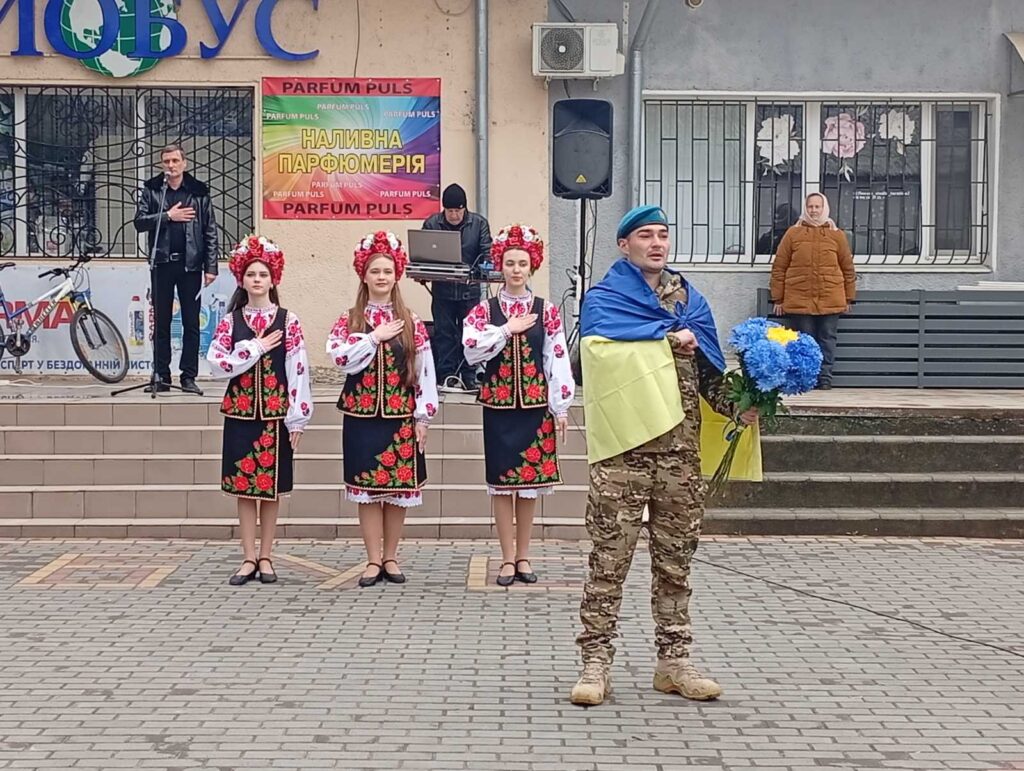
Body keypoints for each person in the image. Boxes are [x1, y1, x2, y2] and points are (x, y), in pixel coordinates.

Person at [570, 205, 759, 707]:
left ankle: (674, 662)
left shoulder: (689, 300)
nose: (656, 244)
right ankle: (596, 662)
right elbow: (592, 360)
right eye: (645, 236)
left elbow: (709, 375)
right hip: (624, 455)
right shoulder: (605, 299)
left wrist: (744, 405)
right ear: (623, 244)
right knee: (608, 562)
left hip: (680, 457)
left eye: (663, 235)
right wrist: (661, 339)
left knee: (676, 564)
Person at [461, 225, 575, 587]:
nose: (515, 269)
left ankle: (524, 555)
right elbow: (471, 348)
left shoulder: (547, 310)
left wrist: (560, 406)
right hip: (498, 406)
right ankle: (506, 557)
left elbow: (555, 358)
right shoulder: (485, 310)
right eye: (509, 263)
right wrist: (506, 329)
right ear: (501, 266)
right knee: (501, 483)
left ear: (532, 266)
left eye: (522, 263)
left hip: (534, 406)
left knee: (529, 483)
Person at [327, 231, 439, 587]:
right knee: (368, 490)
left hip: (399, 414)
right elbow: (340, 357)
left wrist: (423, 415)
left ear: (397, 275)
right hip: (361, 416)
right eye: (375, 271)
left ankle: (391, 556)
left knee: (396, 492)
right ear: (364, 275)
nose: (381, 277)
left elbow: (425, 369)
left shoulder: (411, 321)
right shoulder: (350, 320)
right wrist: (373, 337)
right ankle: (372, 559)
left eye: (387, 271)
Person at [206, 235, 313, 586]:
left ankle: (266, 555)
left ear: (273, 279)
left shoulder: (288, 320)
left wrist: (298, 416)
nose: (256, 280)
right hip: (240, 413)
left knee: (270, 488)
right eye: (251, 274)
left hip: (274, 413)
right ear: (241, 278)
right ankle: (247, 556)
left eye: (262, 275)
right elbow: (217, 363)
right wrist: (254, 347)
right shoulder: (231, 321)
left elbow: (298, 368)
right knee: (244, 488)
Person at [133, 144, 219, 395]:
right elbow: (139, 222)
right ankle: (161, 374)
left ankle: (188, 376)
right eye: (166, 162)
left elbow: (209, 230)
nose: (170, 166)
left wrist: (210, 267)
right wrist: (168, 216)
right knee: (162, 322)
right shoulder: (152, 190)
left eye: (175, 161)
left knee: (191, 323)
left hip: (190, 265)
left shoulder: (198, 192)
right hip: (161, 264)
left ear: (184, 163)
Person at [769, 191, 856, 390]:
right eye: (810, 207)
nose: (814, 210)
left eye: (817, 207)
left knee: (827, 339)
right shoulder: (793, 233)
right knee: (804, 342)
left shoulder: (836, 235)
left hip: (831, 298)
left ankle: (825, 379)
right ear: (805, 209)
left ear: (824, 208)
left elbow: (848, 268)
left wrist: (849, 298)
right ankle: (806, 379)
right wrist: (778, 299)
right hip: (799, 299)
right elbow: (779, 267)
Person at [422, 183, 492, 391]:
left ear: (465, 209)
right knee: (444, 332)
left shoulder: (479, 224)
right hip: (442, 290)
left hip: (469, 291)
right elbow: (424, 253)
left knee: (469, 333)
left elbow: (487, 252)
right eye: (449, 210)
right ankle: (447, 376)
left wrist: (483, 267)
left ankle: (469, 375)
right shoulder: (432, 223)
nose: (453, 215)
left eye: (457, 210)